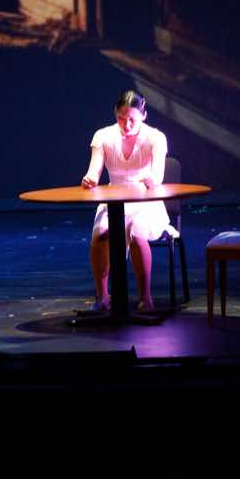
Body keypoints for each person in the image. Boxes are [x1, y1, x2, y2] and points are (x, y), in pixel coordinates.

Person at [81, 90, 170, 312]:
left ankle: (145, 297)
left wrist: (151, 180)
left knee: (136, 232)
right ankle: (103, 296)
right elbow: (94, 171)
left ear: (143, 116)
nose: (126, 125)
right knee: (101, 234)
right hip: (114, 201)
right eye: (121, 118)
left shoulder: (155, 138)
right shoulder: (103, 136)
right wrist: (90, 179)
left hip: (147, 201)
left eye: (132, 119)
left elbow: (157, 175)